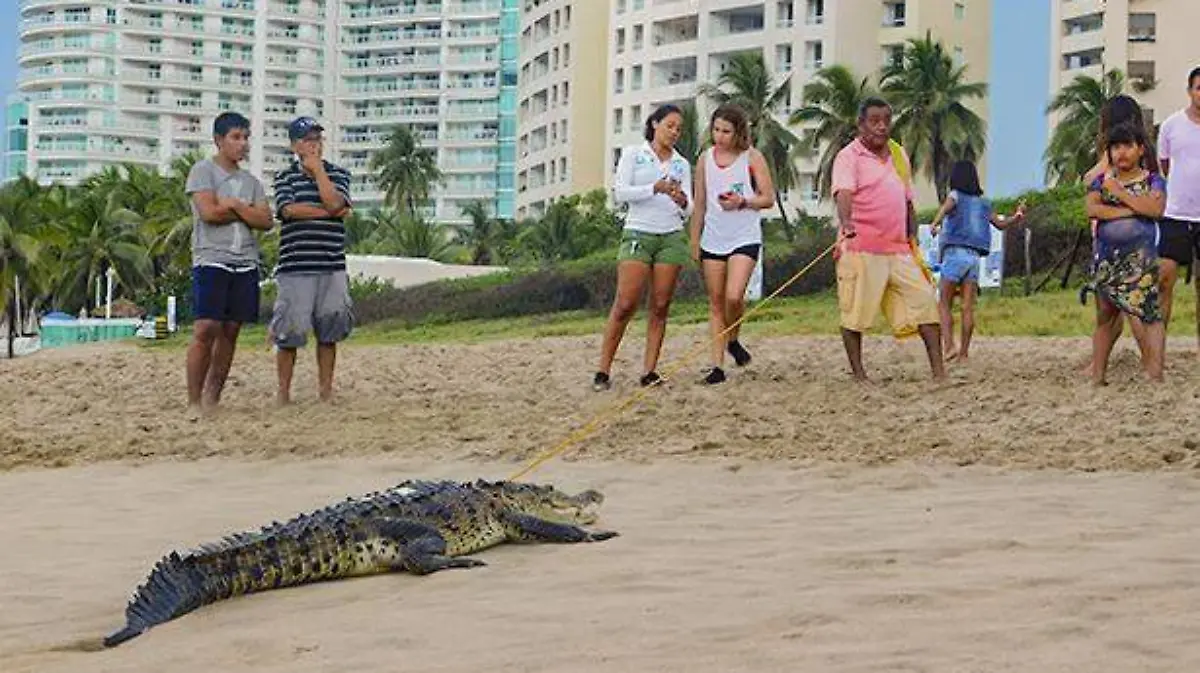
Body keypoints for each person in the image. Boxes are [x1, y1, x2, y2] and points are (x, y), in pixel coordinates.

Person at [831, 97, 944, 382]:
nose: (881, 127)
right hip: (861, 246)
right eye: (874, 121)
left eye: (886, 120)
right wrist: (846, 223)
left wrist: (911, 233)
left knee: (925, 301)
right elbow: (843, 192)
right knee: (855, 313)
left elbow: (906, 198)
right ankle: (859, 374)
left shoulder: (898, 154)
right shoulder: (848, 156)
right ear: (861, 125)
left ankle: (939, 372)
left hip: (898, 248)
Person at [593, 104, 693, 391]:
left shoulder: (681, 164)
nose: (674, 132)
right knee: (625, 302)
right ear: (654, 124)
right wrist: (655, 188)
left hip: (671, 234)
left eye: (678, 128)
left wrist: (682, 200)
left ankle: (649, 370)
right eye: (669, 126)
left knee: (660, 305)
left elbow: (690, 208)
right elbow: (621, 192)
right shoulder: (634, 155)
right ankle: (603, 369)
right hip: (639, 230)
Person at [184, 111, 273, 412]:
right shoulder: (203, 171)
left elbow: (266, 220)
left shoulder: (252, 182)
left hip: (246, 261)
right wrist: (243, 209)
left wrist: (233, 205)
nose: (243, 144)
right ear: (219, 140)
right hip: (211, 258)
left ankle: (213, 398)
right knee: (206, 326)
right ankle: (194, 400)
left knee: (232, 329)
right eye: (236, 137)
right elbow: (208, 213)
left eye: (246, 137)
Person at [269, 116, 355, 404]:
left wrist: (319, 172)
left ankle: (326, 391)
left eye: (317, 139)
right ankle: (283, 392)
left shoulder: (339, 174)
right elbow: (289, 210)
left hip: (331, 265)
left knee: (329, 332)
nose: (314, 145)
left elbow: (334, 201)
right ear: (295, 145)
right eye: (307, 140)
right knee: (289, 333)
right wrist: (331, 212)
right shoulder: (284, 177)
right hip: (295, 266)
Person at [689, 103, 775, 385]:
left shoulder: (752, 157)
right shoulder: (704, 159)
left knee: (734, 296)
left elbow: (767, 198)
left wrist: (743, 202)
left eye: (726, 131)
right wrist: (694, 241)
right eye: (716, 129)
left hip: (744, 236)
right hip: (713, 237)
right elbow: (700, 203)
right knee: (715, 303)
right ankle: (717, 366)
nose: (720, 136)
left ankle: (733, 338)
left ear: (738, 132)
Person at [1085, 122, 1167, 385]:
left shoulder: (1153, 180)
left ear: (1140, 149)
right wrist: (1133, 210)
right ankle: (1098, 376)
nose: (1121, 152)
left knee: (1150, 315)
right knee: (1105, 316)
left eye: (1127, 146)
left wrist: (1121, 195)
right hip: (1108, 260)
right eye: (1115, 147)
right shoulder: (1101, 182)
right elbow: (1093, 210)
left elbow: (1156, 209)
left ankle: (1155, 374)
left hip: (1142, 260)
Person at [929, 159, 1026, 361]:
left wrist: (934, 224)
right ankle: (964, 352)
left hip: (955, 253)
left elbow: (946, 207)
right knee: (967, 307)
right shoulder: (984, 204)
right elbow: (999, 224)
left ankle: (949, 346)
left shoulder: (955, 196)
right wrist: (1016, 216)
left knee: (944, 303)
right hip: (974, 258)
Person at [1157, 66, 1200, 352]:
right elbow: (1164, 165)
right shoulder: (1171, 125)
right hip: (1175, 215)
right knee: (1164, 279)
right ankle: (1156, 348)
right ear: (1190, 91)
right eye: (1199, 88)